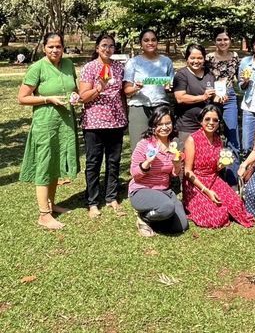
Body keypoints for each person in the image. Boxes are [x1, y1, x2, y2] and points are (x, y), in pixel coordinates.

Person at [18, 32, 80, 230]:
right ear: (44, 47)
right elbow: (23, 98)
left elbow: (74, 88)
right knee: (45, 164)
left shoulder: (69, 65)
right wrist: (47, 99)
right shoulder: (37, 68)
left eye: (58, 46)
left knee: (55, 163)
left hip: (65, 124)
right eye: (51, 46)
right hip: (45, 125)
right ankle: (43, 215)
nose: (55, 50)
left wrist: (74, 96)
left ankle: (52, 205)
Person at [79, 33, 127, 219]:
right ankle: (92, 201)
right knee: (93, 162)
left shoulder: (118, 67)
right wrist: (100, 87)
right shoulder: (90, 68)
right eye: (104, 45)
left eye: (111, 46)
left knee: (113, 162)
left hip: (116, 121)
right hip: (94, 122)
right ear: (97, 48)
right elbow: (83, 96)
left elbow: (122, 93)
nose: (108, 49)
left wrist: (125, 115)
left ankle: (111, 197)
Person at [183, 105, 255, 228]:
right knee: (218, 217)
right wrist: (206, 191)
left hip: (214, 179)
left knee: (237, 203)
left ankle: (222, 206)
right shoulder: (192, 139)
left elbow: (215, 168)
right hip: (195, 184)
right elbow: (187, 172)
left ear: (218, 123)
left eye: (215, 120)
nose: (211, 123)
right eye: (207, 119)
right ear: (201, 121)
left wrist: (222, 165)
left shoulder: (218, 140)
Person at [129, 106, 188, 237]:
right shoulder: (144, 144)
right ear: (153, 126)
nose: (164, 127)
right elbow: (134, 174)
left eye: (168, 123)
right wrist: (147, 162)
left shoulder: (175, 145)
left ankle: (156, 215)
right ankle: (143, 218)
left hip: (164, 191)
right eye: (160, 124)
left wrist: (177, 164)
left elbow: (174, 173)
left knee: (181, 226)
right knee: (167, 208)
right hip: (141, 189)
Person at [124, 29, 174, 152]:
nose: (150, 43)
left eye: (153, 40)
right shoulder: (133, 62)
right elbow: (126, 90)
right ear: (141, 43)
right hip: (139, 107)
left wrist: (169, 87)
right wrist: (136, 88)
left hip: (161, 106)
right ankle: (140, 170)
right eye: (146, 40)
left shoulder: (166, 61)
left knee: (162, 145)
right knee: (139, 146)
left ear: (157, 42)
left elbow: (170, 85)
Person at [206, 27, 241, 185]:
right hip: (212, 97)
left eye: (225, 39)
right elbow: (204, 79)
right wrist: (213, 95)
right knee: (212, 135)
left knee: (232, 135)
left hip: (229, 97)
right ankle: (213, 176)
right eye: (219, 39)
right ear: (215, 41)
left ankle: (232, 178)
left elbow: (240, 78)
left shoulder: (235, 57)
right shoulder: (208, 58)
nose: (222, 42)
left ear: (230, 40)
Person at [173, 43, 216, 147]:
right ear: (187, 58)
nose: (196, 61)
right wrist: (203, 97)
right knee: (185, 159)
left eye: (200, 58)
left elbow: (212, 95)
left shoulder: (209, 74)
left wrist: (220, 98)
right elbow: (180, 98)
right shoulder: (181, 74)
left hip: (206, 126)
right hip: (187, 126)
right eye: (192, 58)